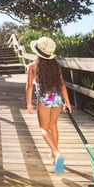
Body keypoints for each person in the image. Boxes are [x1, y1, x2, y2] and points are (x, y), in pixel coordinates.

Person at [26, 36, 72, 174]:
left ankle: (57, 153)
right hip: (57, 99)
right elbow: (62, 85)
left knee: (43, 128)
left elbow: (29, 86)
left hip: (44, 100)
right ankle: (54, 157)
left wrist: (29, 103)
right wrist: (67, 102)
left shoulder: (32, 67)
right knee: (53, 126)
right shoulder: (55, 66)